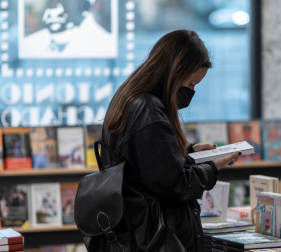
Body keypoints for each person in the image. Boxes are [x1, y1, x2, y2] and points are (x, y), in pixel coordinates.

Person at [98, 29, 241, 252]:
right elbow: (176, 185)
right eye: (192, 84)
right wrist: (213, 166)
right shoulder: (149, 110)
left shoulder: (130, 98)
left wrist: (187, 152)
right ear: (175, 73)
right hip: (155, 236)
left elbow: (146, 166)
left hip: (133, 228)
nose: (192, 92)